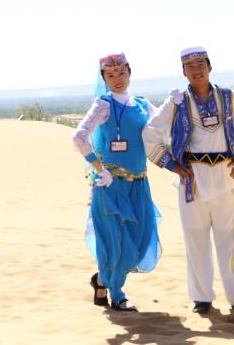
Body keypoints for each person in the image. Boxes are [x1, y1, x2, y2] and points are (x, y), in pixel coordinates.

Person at [142, 47, 234, 316]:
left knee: (230, 240)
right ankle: (201, 298)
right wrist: (172, 164)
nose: (197, 71)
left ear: (210, 67)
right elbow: (150, 133)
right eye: (191, 66)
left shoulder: (228, 96)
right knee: (195, 241)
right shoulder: (176, 102)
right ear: (183, 72)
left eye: (201, 65)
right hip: (192, 181)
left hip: (225, 176)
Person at [72, 53, 161, 312]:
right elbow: (79, 138)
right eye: (110, 75)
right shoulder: (103, 105)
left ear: (129, 73)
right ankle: (118, 294)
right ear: (104, 79)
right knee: (115, 241)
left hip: (139, 184)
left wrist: (176, 104)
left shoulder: (142, 105)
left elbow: (163, 126)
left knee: (139, 239)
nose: (117, 79)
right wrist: (99, 169)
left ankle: (102, 281)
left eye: (121, 73)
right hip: (110, 185)